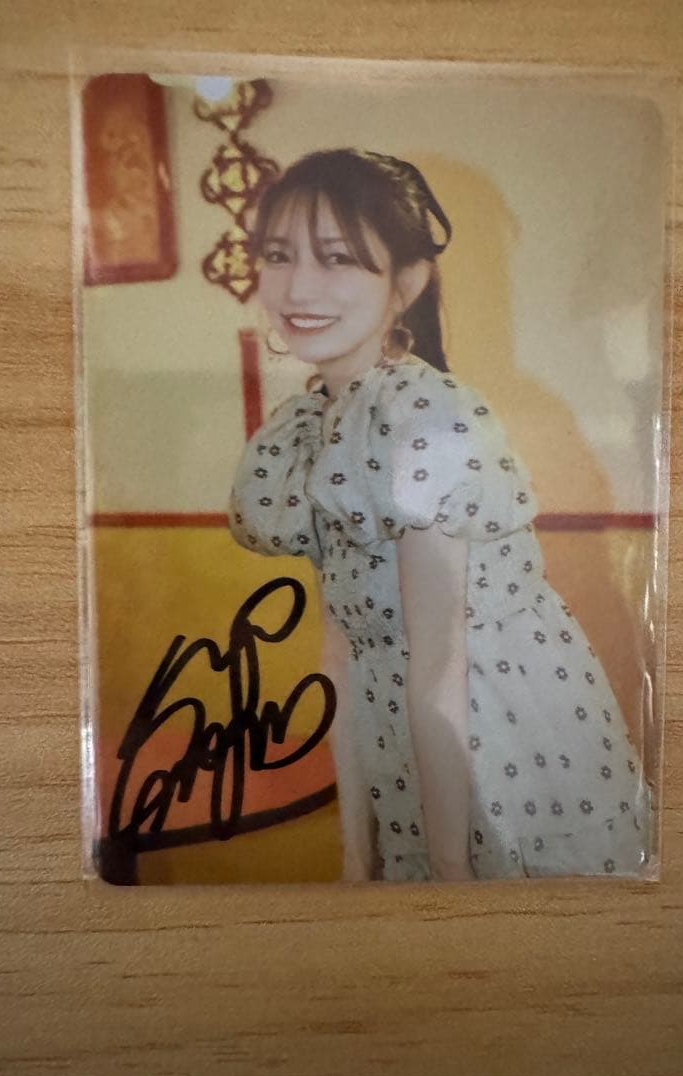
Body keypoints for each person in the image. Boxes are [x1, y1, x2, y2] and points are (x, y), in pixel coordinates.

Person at [229, 148, 654, 883]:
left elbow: (440, 667)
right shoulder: (314, 426)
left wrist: (449, 877)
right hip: (403, 734)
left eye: (337, 257)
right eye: (278, 255)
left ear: (407, 284)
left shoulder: (422, 417)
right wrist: (356, 853)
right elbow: (341, 654)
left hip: (499, 730)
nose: (298, 286)